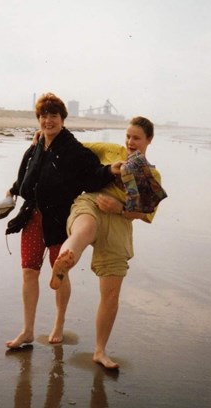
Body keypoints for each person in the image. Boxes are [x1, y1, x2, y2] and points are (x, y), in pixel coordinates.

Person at [4, 92, 121, 348]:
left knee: (60, 274)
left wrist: (111, 171)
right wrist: (12, 192)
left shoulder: (72, 149)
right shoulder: (36, 146)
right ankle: (27, 330)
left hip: (59, 219)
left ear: (63, 119)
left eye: (54, 115)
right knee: (28, 272)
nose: (48, 120)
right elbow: (24, 175)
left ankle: (59, 323)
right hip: (33, 217)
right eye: (43, 116)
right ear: (38, 119)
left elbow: (92, 173)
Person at [49, 116, 166, 369]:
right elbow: (72, 146)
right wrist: (44, 136)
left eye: (136, 138)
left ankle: (100, 351)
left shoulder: (152, 174)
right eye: (128, 136)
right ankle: (65, 261)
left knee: (111, 293)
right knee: (84, 229)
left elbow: (145, 214)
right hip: (92, 202)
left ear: (149, 140)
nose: (130, 142)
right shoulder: (110, 151)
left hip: (120, 221)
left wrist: (120, 207)